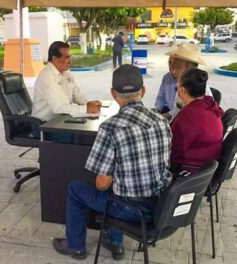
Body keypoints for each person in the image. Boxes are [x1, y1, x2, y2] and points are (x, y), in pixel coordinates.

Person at [52, 65, 172, 260]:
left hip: (130, 210)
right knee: (119, 185)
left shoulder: (110, 127)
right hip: (159, 205)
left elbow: (101, 184)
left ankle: (75, 246)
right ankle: (115, 243)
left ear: (113, 94)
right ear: (143, 91)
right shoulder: (162, 121)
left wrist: (118, 175)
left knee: (78, 189)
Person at [170, 68, 224, 174]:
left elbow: (172, 150)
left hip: (191, 170)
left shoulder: (189, 116)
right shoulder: (210, 105)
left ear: (182, 90)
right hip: (207, 168)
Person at [32, 41, 101, 122]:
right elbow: (58, 107)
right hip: (44, 125)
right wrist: (86, 108)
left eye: (70, 57)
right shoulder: (46, 77)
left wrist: (90, 103)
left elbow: (78, 96)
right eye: (66, 57)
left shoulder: (67, 74)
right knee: (84, 133)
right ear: (55, 58)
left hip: (61, 120)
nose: (70, 61)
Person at [155, 43, 213, 120]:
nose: (172, 66)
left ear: (186, 66)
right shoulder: (179, 82)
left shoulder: (198, 89)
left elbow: (188, 118)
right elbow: (176, 109)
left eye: (176, 62)